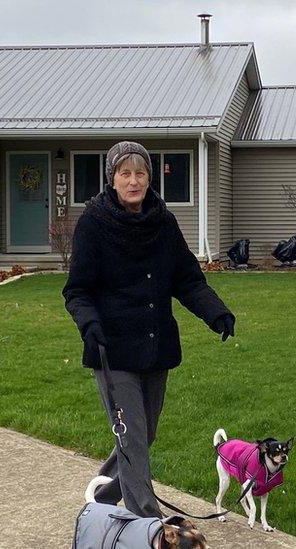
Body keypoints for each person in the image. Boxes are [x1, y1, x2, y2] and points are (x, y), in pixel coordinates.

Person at [62, 141, 236, 518]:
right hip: (113, 349)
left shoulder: (163, 222)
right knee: (134, 439)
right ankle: (150, 526)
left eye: (140, 173)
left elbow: (188, 280)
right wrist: (89, 323)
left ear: (149, 178)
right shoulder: (94, 223)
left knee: (141, 436)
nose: (133, 180)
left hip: (156, 349)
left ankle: (102, 500)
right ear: (112, 179)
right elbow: (77, 290)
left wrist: (216, 313)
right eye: (125, 173)